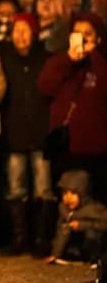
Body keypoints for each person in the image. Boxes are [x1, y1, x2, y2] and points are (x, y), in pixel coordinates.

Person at [37, 13, 107, 204]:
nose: (82, 37)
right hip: (66, 148)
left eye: (88, 34)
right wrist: (69, 59)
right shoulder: (58, 61)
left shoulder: (102, 64)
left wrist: (94, 55)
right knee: (67, 203)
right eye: (77, 33)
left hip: (96, 149)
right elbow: (45, 86)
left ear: (98, 38)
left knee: (97, 203)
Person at [0, 14, 54, 256]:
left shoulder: (45, 58)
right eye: (16, 30)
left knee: (43, 189)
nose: (20, 35)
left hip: (42, 132)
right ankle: (19, 239)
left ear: (34, 32)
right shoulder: (5, 58)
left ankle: (42, 238)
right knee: (15, 189)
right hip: (14, 133)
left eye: (25, 30)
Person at [45, 171, 107, 265]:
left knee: (92, 235)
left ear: (83, 193)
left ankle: (95, 258)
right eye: (65, 193)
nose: (68, 198)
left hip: (96, 242)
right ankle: (73, 255)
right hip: (78, 242)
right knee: (64, 233)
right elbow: (61, 230)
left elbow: (104, 225)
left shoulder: (95, 209)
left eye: (73, 193)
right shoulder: (63, 208)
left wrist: (82, 225)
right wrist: (55, 254)